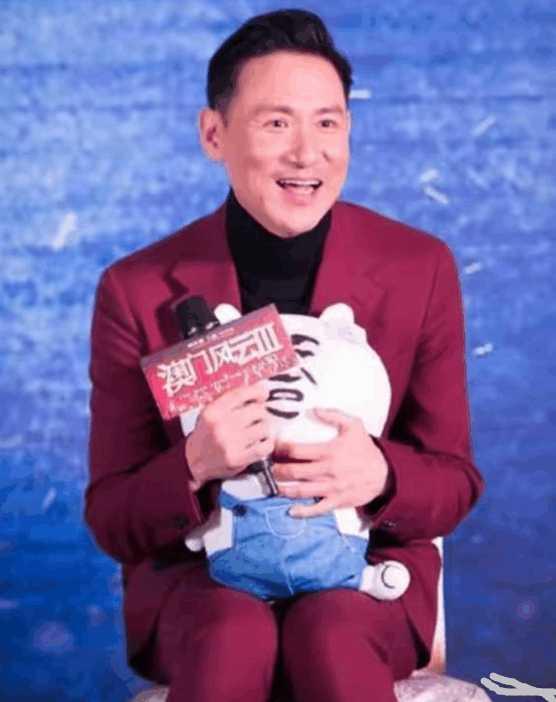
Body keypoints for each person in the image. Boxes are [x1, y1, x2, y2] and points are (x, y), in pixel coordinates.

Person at [85, 9, 485, 702]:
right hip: (200, 586)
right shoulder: (137, 288)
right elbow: (113, 516)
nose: (307, 154)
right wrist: (194, 465)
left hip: (365, 577)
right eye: (276, 123)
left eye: (327, 123)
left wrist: (382, 473)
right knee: (233, 636)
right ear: (214, 134)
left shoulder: (418, 267)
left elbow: (455, 481)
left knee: (328, 634)